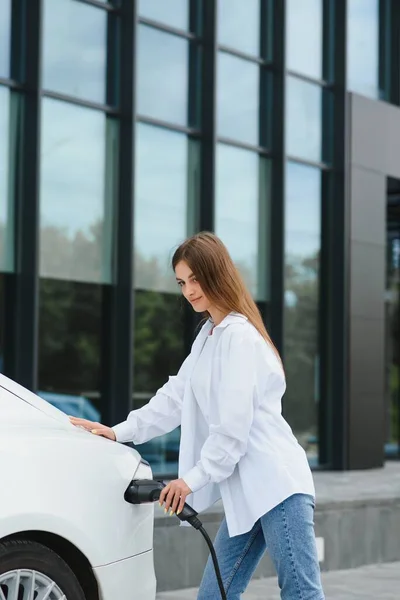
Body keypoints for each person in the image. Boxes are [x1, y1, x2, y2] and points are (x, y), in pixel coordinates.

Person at [70, 232, 325, 600]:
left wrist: (190, 480)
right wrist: (118, 432)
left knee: (301, 593)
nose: (189, 290)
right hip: (244, 494)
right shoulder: (209, 335)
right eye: (181, 282)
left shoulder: (240, 337)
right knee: (213, 595)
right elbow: (175, 397)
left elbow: (232, 430)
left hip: (276, 485)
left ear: (216, 273)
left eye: (195, 279)